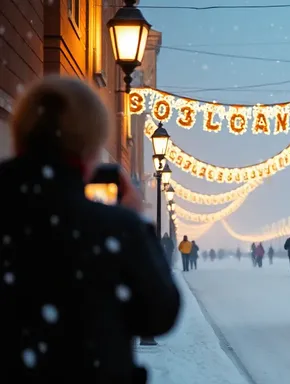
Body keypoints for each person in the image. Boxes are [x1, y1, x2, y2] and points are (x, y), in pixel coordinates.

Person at [0, 75, 180, 383]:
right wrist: (136, 223)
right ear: (91, 150)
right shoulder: (111, 229)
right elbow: (160, 313)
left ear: (19, 136)